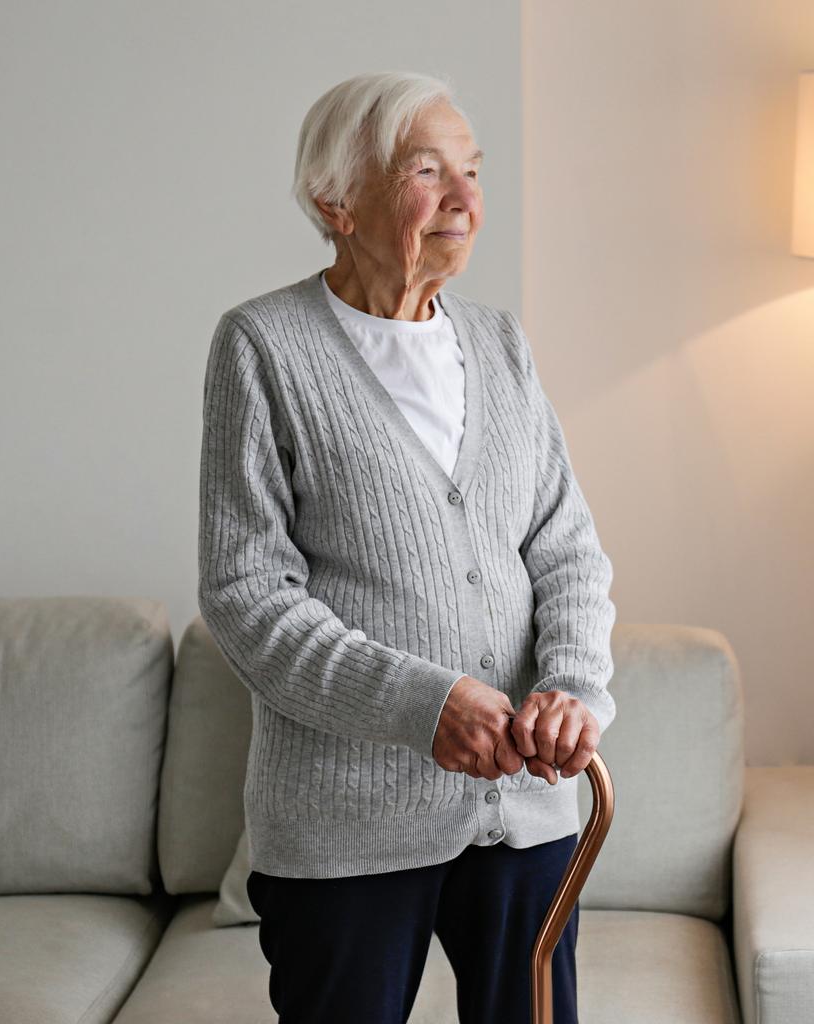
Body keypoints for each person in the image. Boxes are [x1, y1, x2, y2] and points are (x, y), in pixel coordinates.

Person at [195, 70, 617, 1024]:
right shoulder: (263, 347)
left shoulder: (502, 346)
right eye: (429, 172)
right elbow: (246, 594)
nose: (466, 201)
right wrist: (421, 704)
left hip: (529, 811)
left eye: (472, 171)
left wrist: (572, 690)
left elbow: (569, 553)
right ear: (334, 200)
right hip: (345, 825)